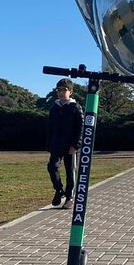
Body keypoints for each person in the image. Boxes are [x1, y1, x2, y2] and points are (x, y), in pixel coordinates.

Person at [46, 78, 83, 209]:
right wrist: (49, 144)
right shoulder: (54, 108)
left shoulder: (76, 108)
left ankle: (69, 197)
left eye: (64, 90)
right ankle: (59, 190)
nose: (61, 92)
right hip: (56, 145)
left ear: (71, 92)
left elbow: (81, 128)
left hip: (71, 147)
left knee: (71, 173)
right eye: (59, 90)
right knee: (52, 167)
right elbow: (50, 127)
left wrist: (76, 145)